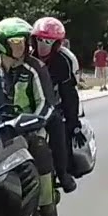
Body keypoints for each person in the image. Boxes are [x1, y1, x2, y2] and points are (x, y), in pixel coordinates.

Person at [0, 18, 63, 216]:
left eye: (23, 41)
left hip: (27, 128)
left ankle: (46, 203)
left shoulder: (35, 67)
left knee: (40, 147)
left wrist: (35, 122)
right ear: (2, 43)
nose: (21, 46)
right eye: (15, 42)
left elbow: (46, 103)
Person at [30, 16, 80, 193]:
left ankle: (62, 172)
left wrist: (74, 123)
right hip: (26, 107)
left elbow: (69, 93)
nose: (43, 45)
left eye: (49, 41)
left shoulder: (63, 61)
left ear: (57, 43)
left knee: (59, 126)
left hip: (52, 106)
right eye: (40, 40)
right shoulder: (25, 57)